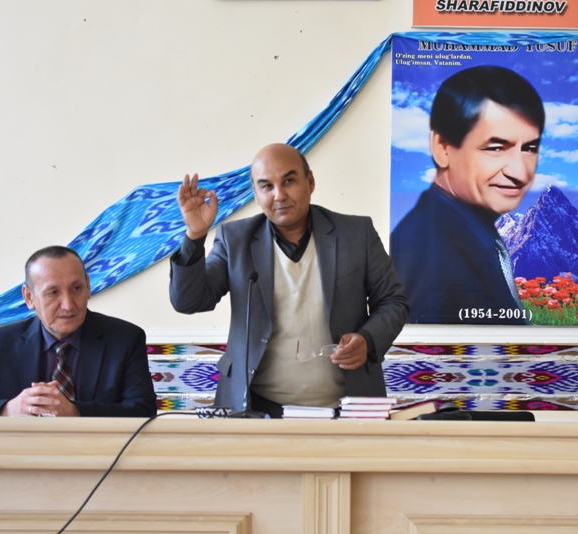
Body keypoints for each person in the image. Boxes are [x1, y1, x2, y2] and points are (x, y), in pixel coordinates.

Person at [169, 143, 409, 418]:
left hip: (347, 407)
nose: (279, 195)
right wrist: (194, 236)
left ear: (310, 182)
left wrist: (367, 339)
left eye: (289, 181)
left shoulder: (356, 234)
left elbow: (394, 302)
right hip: (255, 409)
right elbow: (188, 301)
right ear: (256, 195)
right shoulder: (234, 240)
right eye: (266, 186)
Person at [390, 65, 544, 324]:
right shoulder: (430, 251)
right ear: (442, 148)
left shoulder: (468, 231)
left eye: (529, 148)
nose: (520, 173)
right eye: (496, 148)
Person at [0, 246, 157, 417]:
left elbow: (143, 411)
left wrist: (75, 412)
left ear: (88, 286)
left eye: (76, 288)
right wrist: (8, 410)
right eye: (53, 292)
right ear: (29, 297)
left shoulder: (125, 339)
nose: (68, 305)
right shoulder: (1, 342)